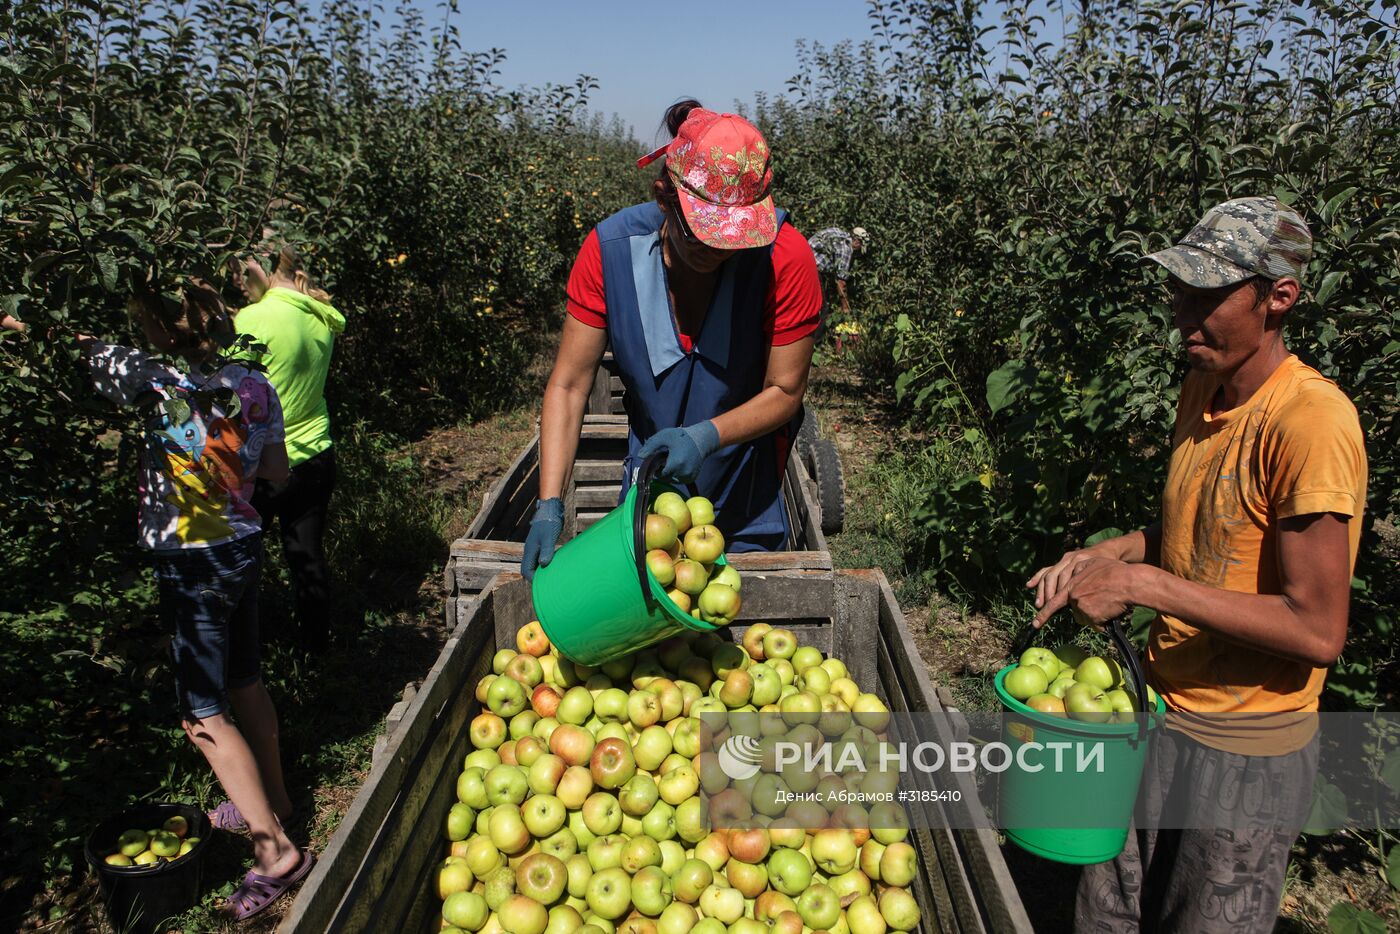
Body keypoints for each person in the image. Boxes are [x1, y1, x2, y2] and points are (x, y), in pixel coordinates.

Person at [1027, 197, 1367, 933]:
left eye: (1208, 295)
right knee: (1105, 916)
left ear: (1280, 297)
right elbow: (1201, 530)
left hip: (1244, 758)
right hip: (1154, 715)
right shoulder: (1205, 384)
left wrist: (1145, 586)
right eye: (1180, 290)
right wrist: (1114, 552)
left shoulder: (1309, 422)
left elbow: (1317, 630)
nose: (1183, 312)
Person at [77, 282, 312, 920]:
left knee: (202, 715)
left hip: (191, 559)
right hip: (241, 545)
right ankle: (277, 802)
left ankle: (275, 854)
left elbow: (81, 350)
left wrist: (29, 322)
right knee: (245, 680)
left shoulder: (153, 379)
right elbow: (277, 475)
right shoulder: (254, 384)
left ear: (157, 328)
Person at [520, 100, 822, 579]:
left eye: (732, 238)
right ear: (665, 197)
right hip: (648, 500)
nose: (717, 249)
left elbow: (785, 390)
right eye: (701, 232)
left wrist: (707, 436)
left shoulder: (784, 259)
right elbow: (570, 385)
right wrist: (550, 503)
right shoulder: (610, 253)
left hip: (746, 502)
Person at [230, 244, 345, 653]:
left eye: (242, 272)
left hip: (261, 464)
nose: (237, 283)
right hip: (315, 453)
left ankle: (243, 654)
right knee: (306, 558)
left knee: (238, 562)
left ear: (262, 267)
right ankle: (317, 650)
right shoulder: (319, 316)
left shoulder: (252, 320)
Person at [807, 225, 868, 322]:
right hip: (811, 269)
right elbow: (841, 283)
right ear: (857, 242)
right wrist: (846, 308)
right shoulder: (847, 250)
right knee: (822, 308)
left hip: (802, 256)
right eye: (860, 247)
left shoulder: (837, 231)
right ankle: (817, 334)